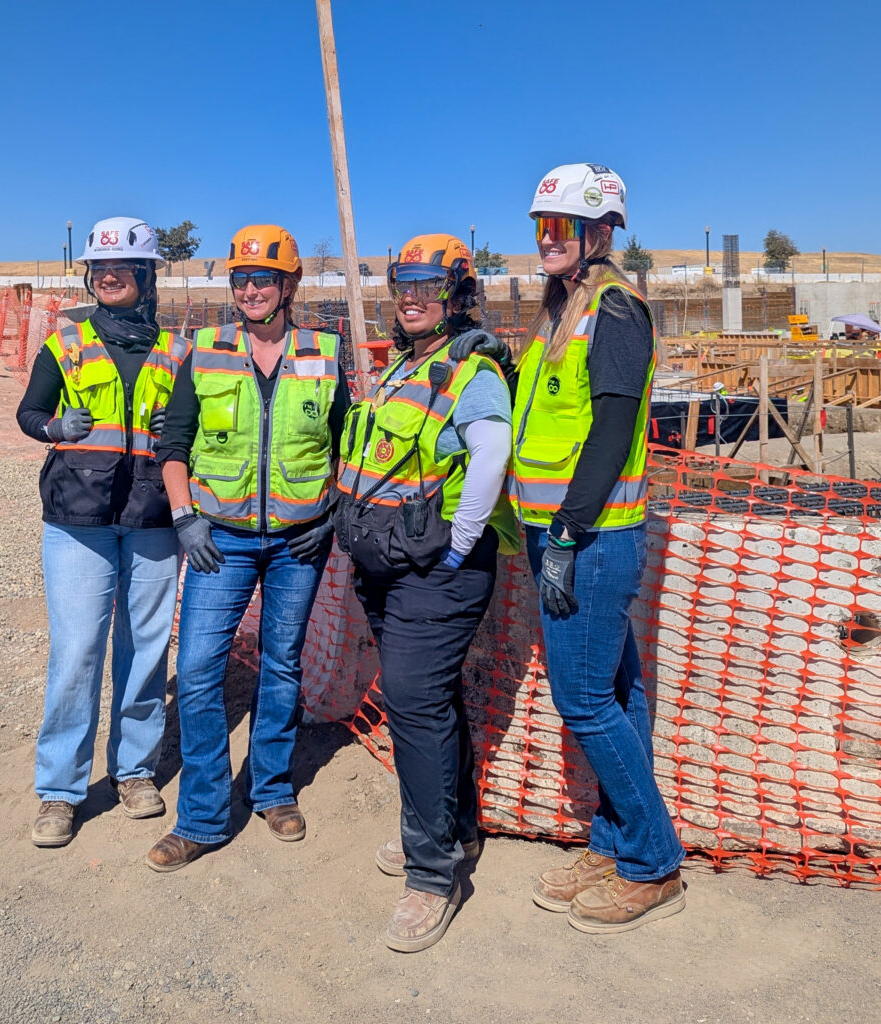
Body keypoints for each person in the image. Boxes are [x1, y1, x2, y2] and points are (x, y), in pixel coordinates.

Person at [510, 163, 685, 931]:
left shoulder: (613, 310)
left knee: (583, 702)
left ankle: (653, 862)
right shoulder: (558, 311)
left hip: (591, 540)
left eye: (562, 227)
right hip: (564, 537)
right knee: (617, 695)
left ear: (601, 233)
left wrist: (567, 535)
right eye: (540, 226)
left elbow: (612, 432)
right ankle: (615, 841)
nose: (547, 239)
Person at [333, 234, 519, 952]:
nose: (411, 296)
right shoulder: (404, 366)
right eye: (402, 284)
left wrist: (462, 544)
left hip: (437, 568)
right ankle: (455, 830)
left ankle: (432, 875)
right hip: (391, 562)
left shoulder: (470, 367)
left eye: (428, 285)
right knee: (428, 703)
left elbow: (491, 455)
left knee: (412, 704)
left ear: (457, 294)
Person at [146, 224, 351, 871]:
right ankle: (203, 817)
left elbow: (350, 441)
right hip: (219, 541)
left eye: (264, 278)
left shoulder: (325, 351)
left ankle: (272, 790)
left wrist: (336, 507)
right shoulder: (205, 350)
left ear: (289, 284)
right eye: (241, 278)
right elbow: (172, 444)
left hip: (299, 542)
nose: (251, 289)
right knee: (202, 670)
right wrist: (185, 517)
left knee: (282, 663)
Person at [16, 217, 189, 847]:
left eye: (123, 268)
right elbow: (29, 411)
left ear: (146, 277)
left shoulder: (176, 350)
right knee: (78, 652)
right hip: (78, 521)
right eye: (100, 269)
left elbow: (187, 434)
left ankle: (135, 770)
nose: (109, 277)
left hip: (150, 521)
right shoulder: (66, 343)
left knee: (145, 652)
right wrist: (53, 430)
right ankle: (60, 789)